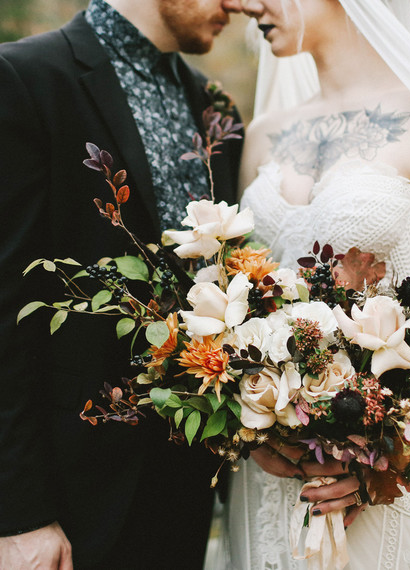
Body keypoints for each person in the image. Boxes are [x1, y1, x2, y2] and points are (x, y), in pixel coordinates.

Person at [214, 0, 410, 569]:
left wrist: (393, 449)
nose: (245, 5)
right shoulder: (262, 134)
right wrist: (255, 420)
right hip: (279, 473)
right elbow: (242, 300)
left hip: (390, 472)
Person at [0, 0, 242, 568]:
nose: (238, 3)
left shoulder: (216, 107)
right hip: (67, 501)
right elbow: (5, 306)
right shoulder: (25, 79)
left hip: (186, 492)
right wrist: (17, 514)